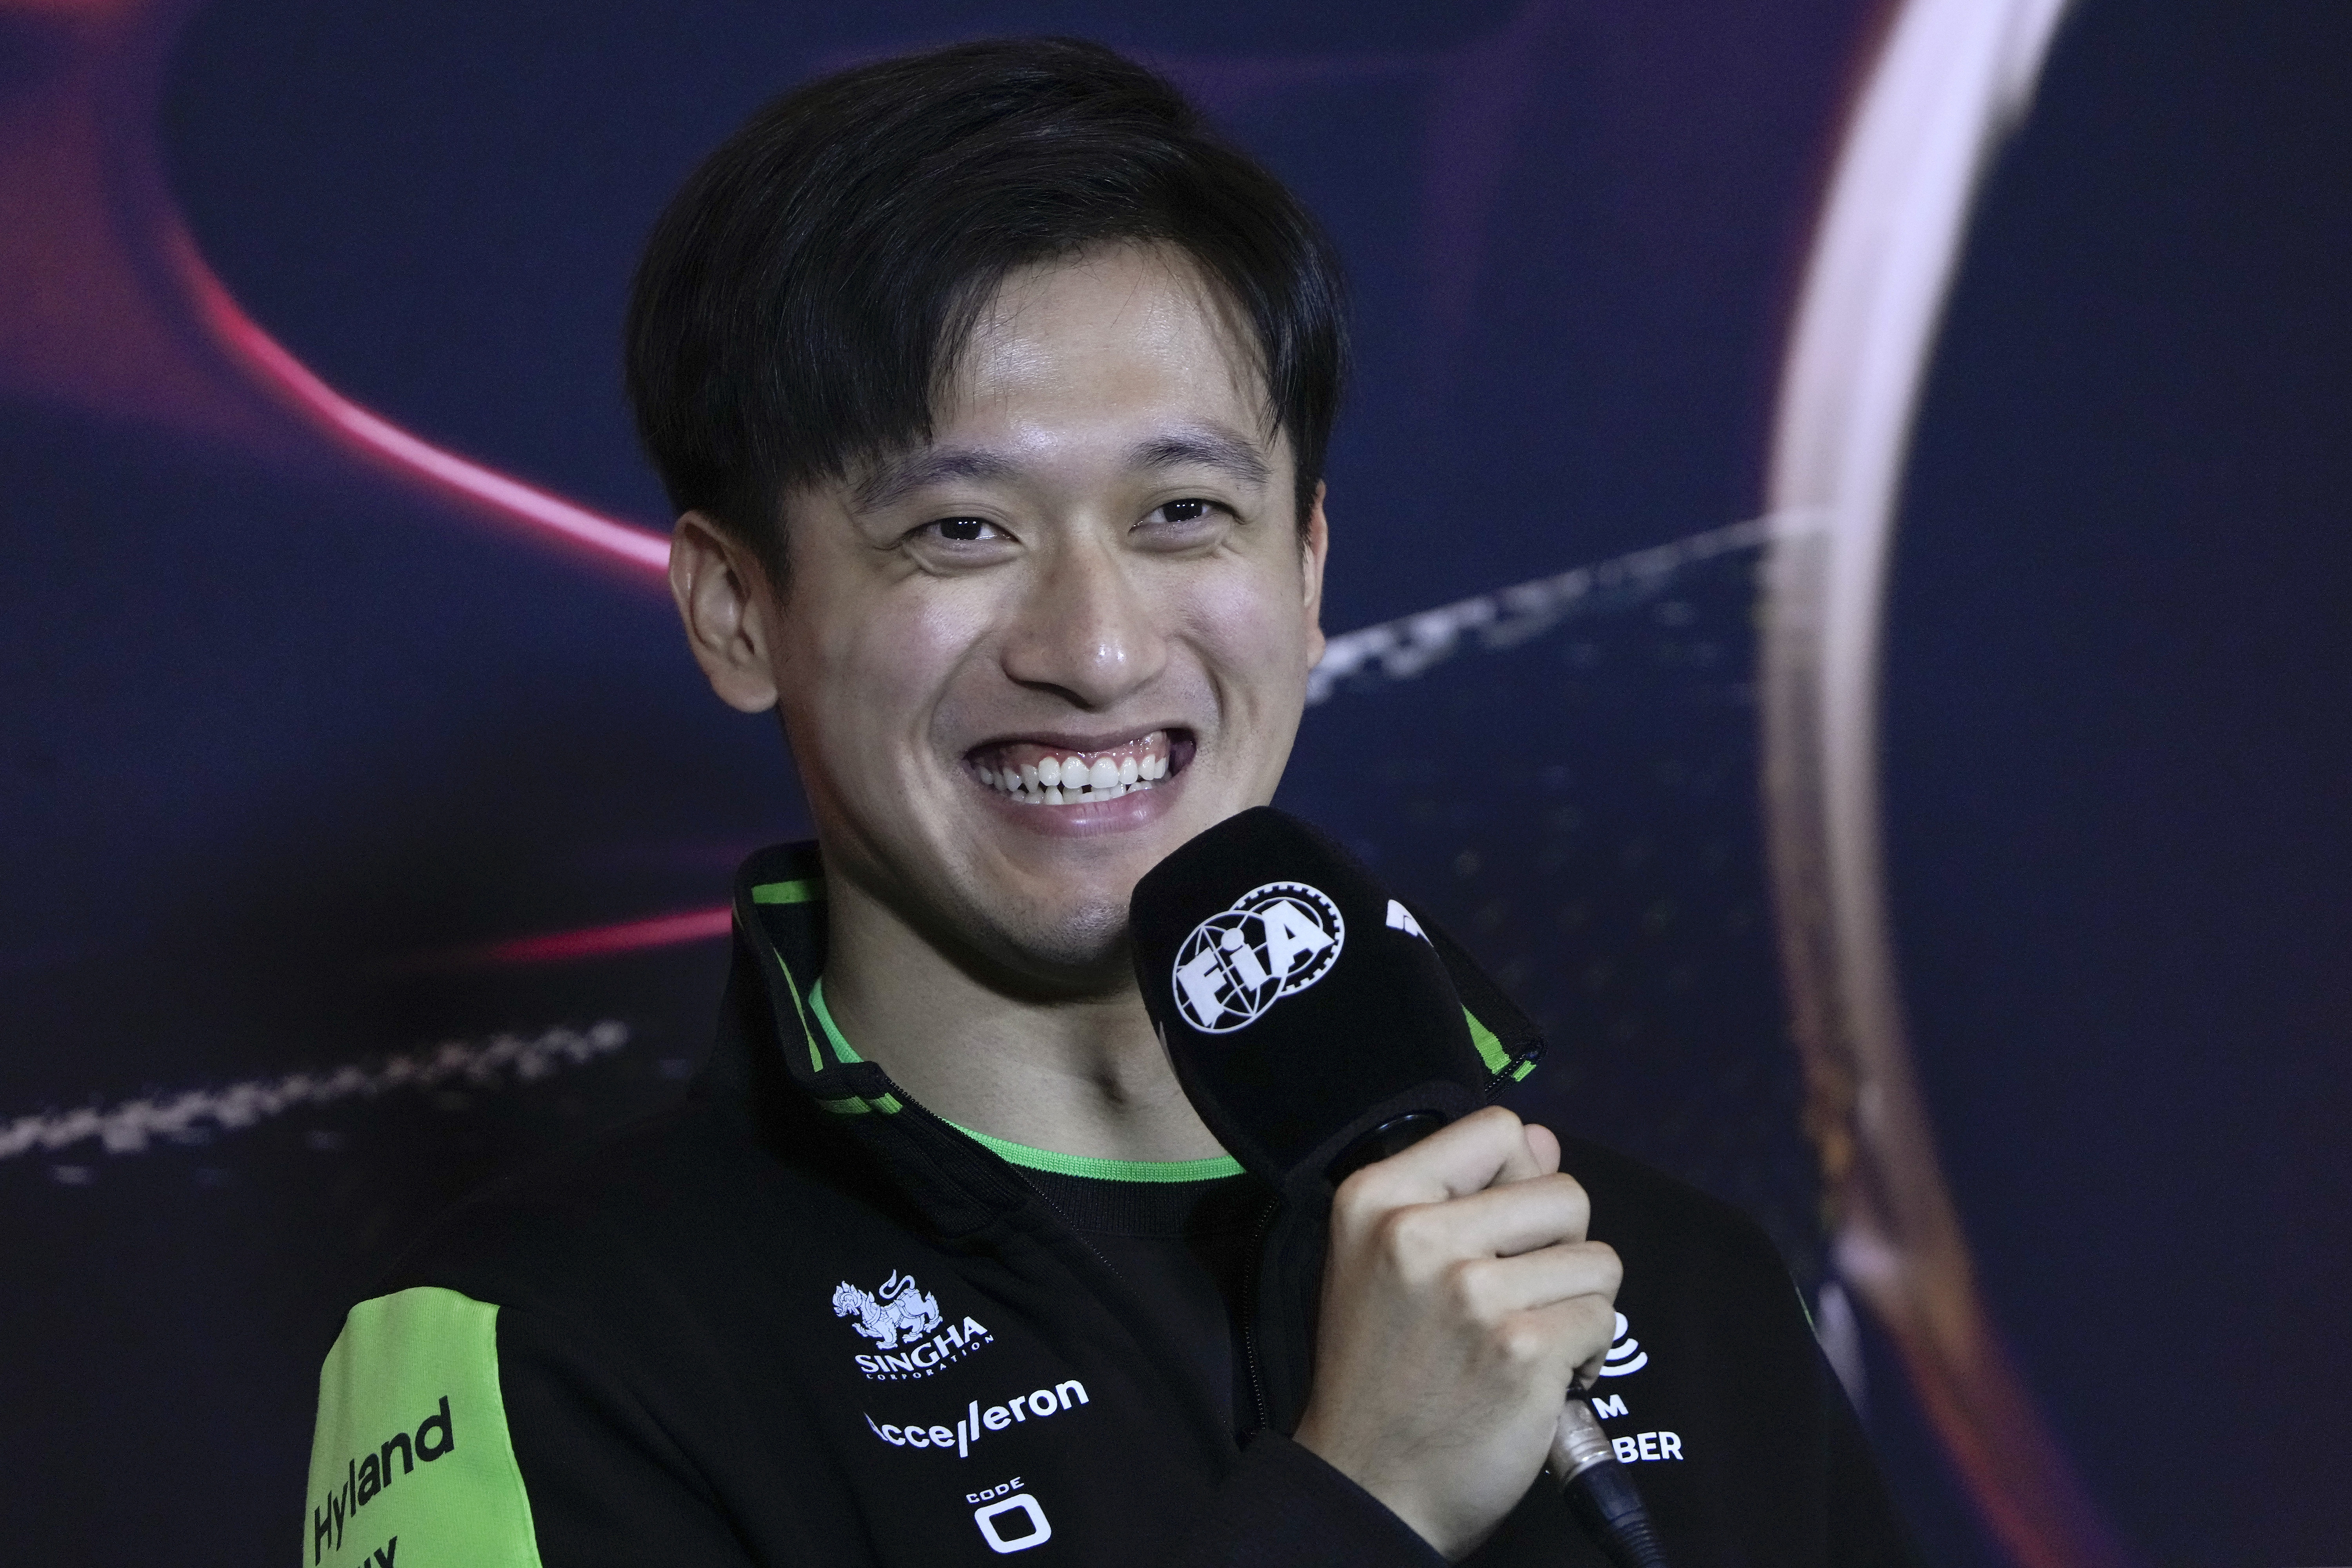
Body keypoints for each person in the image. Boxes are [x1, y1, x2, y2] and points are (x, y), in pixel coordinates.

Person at [301, 37, 1912, 1568]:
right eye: (960, 532)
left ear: (1308, 571)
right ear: (739, 612)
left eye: (1185, 512)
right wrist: (1363, 1498)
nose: (1097, 648)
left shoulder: (1673, 1277)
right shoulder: (538, 1355)